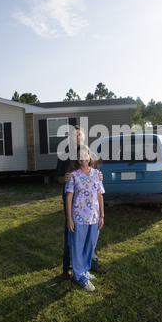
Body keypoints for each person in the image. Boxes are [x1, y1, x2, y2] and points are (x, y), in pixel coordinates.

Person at [55, 125, 106, 278]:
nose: (78, 137)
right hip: (73, 203)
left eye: (80, 135)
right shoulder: (64, 156)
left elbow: (96, 174)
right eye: (74, 135)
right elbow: (57, 178)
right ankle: (67, 267)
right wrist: (64, 178)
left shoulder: (90, 155)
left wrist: (100, 176)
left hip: (90, 205)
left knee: (91, 233)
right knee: (71, 233)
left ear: (84, 137)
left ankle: (92, 263)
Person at [65, 145, 105, 291]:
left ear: (89, 157)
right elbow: (69, 198)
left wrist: (102, 215)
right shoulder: (73, 176)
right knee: (77, 247)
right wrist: (69, 219)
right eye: (80, 156)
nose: (83, 158)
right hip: (79, 217)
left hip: (94, 218)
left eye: (85, 155)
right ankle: (80, 277)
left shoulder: (96, 174)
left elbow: (100, 195)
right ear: (77, 158)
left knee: (90, 245)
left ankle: (84, 270)